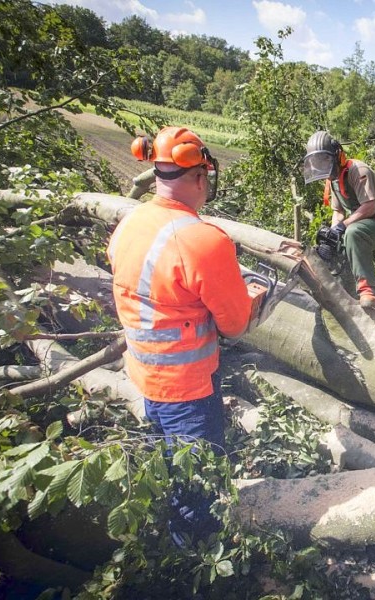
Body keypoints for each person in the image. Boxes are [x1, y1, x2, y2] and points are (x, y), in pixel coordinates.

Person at [108, 126, 252, 545]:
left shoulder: (129, 223)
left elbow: (156, 295)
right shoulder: (202, 239)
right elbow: (235, 324)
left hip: (144, 376)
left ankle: (175, 535)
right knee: (197, 486)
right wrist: (246, 298)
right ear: (200, 176)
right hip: (187, 390)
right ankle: (197, 557)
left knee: (168, 466)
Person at [303, 130, 375, 309]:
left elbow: (370, 207)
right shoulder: (333, 179)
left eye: (326, 161)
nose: (323, 167)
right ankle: (343, 290)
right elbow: (338, 212)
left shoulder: (357, 170)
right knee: (334, 241)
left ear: (336, 156)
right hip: (359, 221)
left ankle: (368, 291)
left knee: (352, 233)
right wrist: (332, 233)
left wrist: (342, 226)